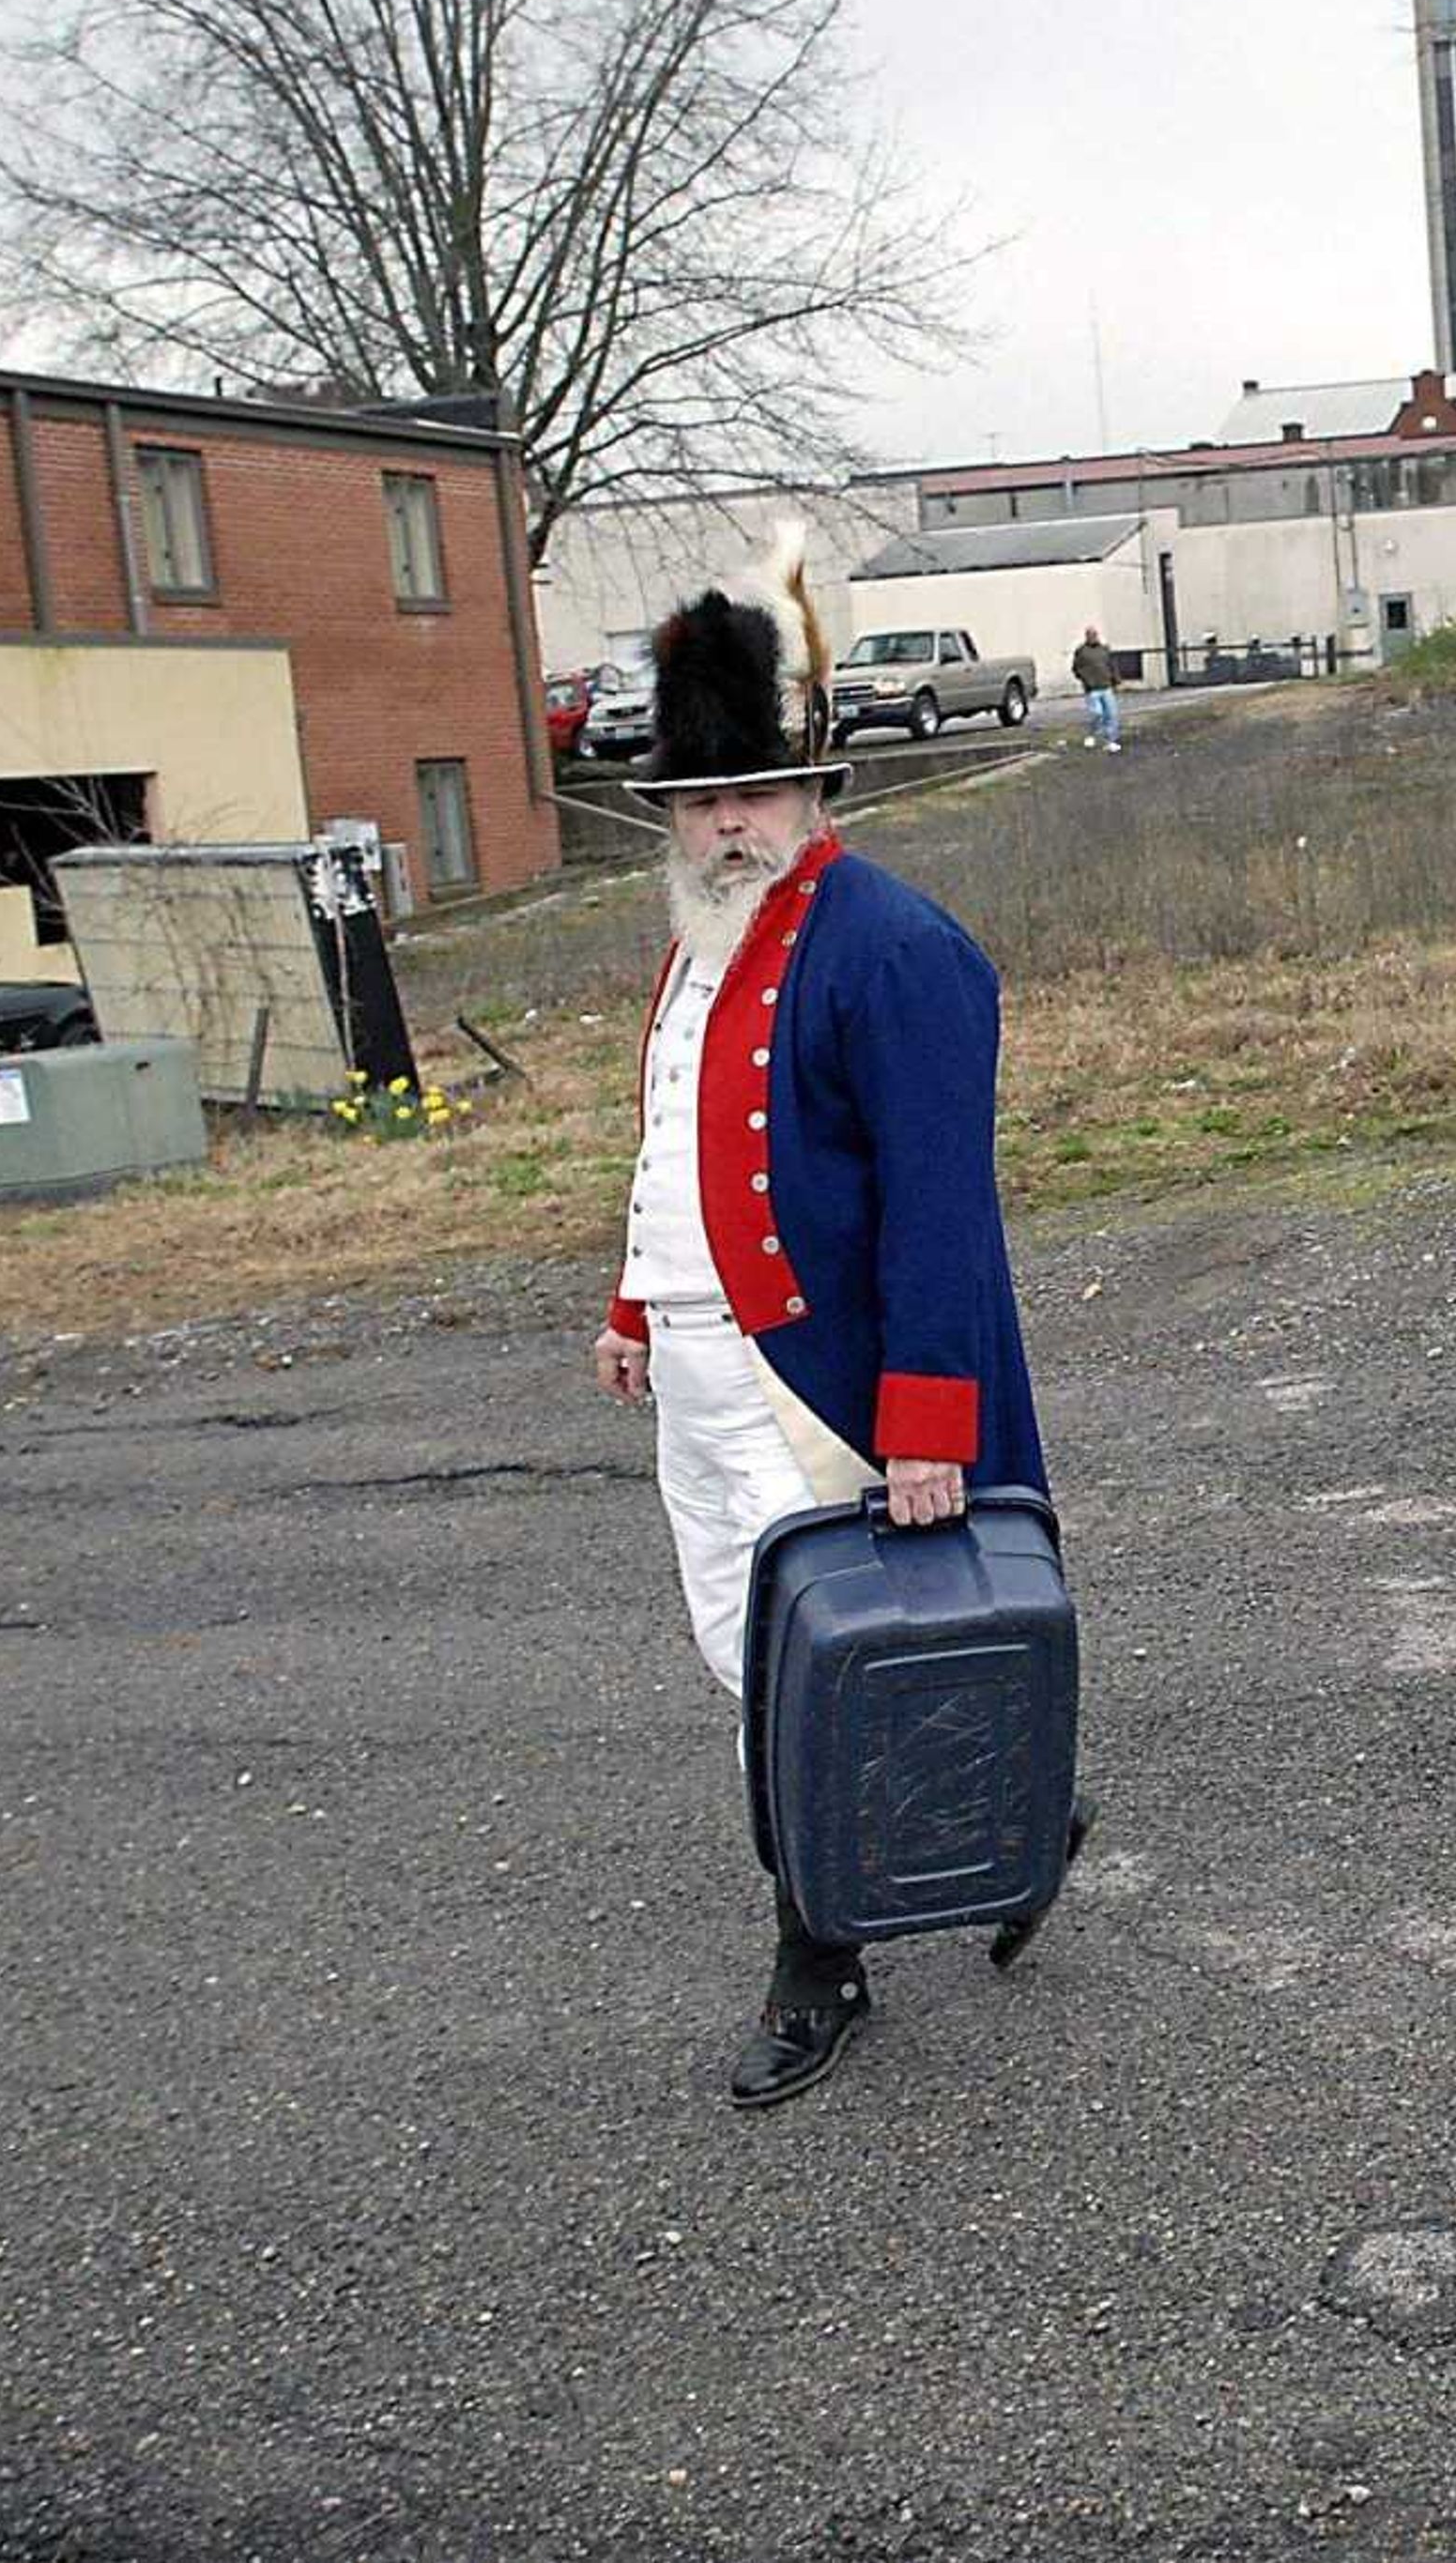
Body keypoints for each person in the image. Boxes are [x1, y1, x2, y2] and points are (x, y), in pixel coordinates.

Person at [590, 527, 1084, 2110]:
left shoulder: (897, 946)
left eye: (745, 795)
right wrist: (632, 1304)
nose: (721, 823)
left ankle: (823, 1959)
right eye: (695, 799)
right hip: (698, 1364)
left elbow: (946, 1208)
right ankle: (1019, 1809)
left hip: (820, 1379)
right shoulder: (696, 941)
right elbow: (679, 1135)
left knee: (810, 1681)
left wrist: (929, 1419)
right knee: (757, 1665)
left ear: (810, 791)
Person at [1071, 626, 1123, 753]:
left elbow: (1111, 665)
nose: (1093, 637)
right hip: (1092, 689)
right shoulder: (1081, 651)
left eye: (1095, 634)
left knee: (1111, 714)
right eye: (1090, 635)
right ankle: (1091, 734)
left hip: (1106, 686)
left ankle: (1111, 740)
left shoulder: (1104, 650)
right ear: (1086, 636)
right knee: (1097, 714)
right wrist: (1085, 680)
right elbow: (1076, 668)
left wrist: (1116, 679)